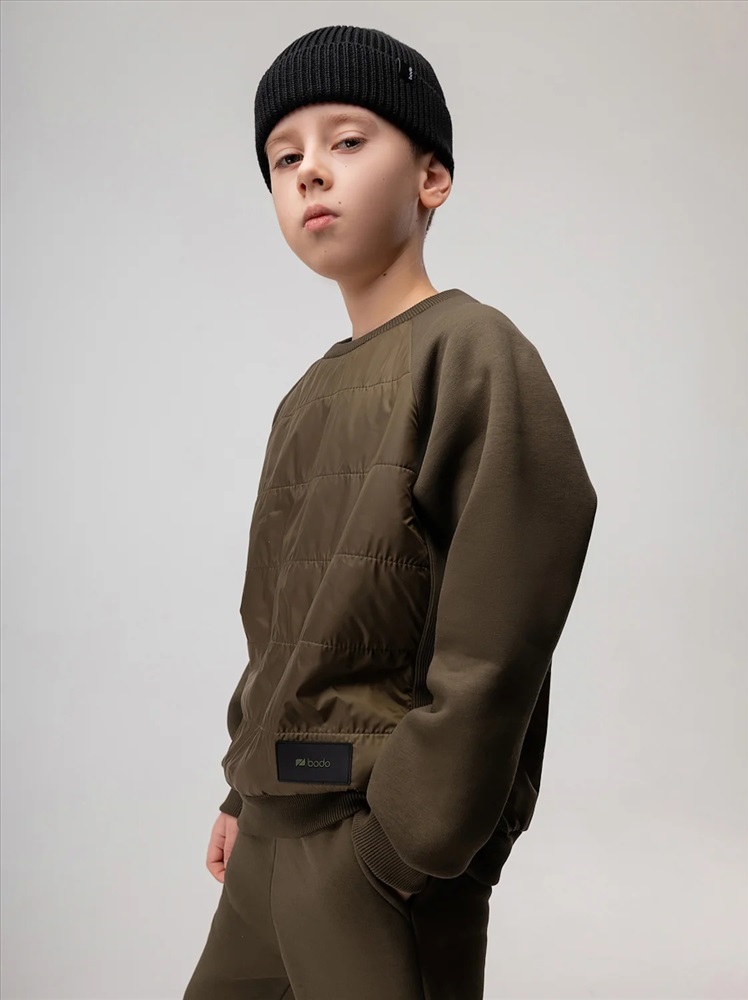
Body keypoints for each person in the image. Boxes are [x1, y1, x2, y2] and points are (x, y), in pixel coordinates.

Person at [183, 23, 598, 1000]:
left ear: (431, 178)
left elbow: (499, 632)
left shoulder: (474, 352)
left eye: (347, 140)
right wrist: (244, 790)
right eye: (284, 158)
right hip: (269, 832)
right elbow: (285, 626)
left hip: (374, 853)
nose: (310, 171)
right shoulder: (305, 398)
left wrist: (409, 839)